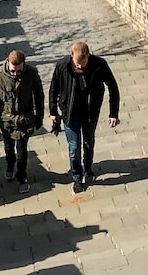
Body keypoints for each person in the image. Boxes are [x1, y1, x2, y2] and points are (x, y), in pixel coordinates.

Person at [48, 41, 120, 192]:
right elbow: (53, 89)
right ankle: (76, 177)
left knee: (88, 143)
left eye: (83, 63)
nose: (80, 66)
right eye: (77, 63)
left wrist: (113, 113)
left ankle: (88, 168)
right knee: (74, 148)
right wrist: (53, 111)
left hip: (90, 113)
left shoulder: (99, 65)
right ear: (71, 56)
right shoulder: (62, 66)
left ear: (88, 55)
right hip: (70, 114)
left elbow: (113, 87)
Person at [0, 49, 44, 194]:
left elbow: (39, 95)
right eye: (13, 71)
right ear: (7, 63)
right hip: (6, 120)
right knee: (9, 148)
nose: (15, 74)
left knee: (22, 152)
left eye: (18, 71)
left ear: (24, 65)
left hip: (25, 119)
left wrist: (39, 117)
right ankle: (10, 165)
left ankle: (22, 176)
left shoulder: (31, 73)